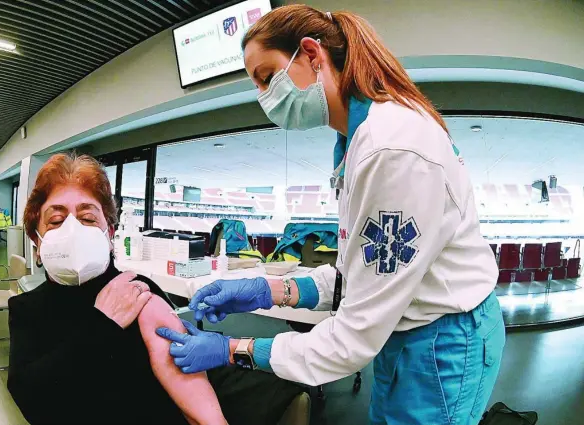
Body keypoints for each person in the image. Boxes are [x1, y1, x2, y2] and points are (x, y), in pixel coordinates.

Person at [156, 6, 505, 425]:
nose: (263, 96)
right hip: (409, 330)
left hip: (443, 337)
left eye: (267, 77)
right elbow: (353, 275)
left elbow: (352, 338)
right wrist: (266, 290)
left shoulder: (391, 149)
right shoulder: (355, 143)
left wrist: (232, 350)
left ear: (310, 53)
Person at [7, 153, 303, 425]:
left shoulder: (137, 292)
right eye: (57, 220)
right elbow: (35, 404)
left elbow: (192, 393)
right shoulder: (27, 309)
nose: (73, 231)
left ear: (109, 234)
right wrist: (101, 325)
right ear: (37, 240)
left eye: (87, 219)